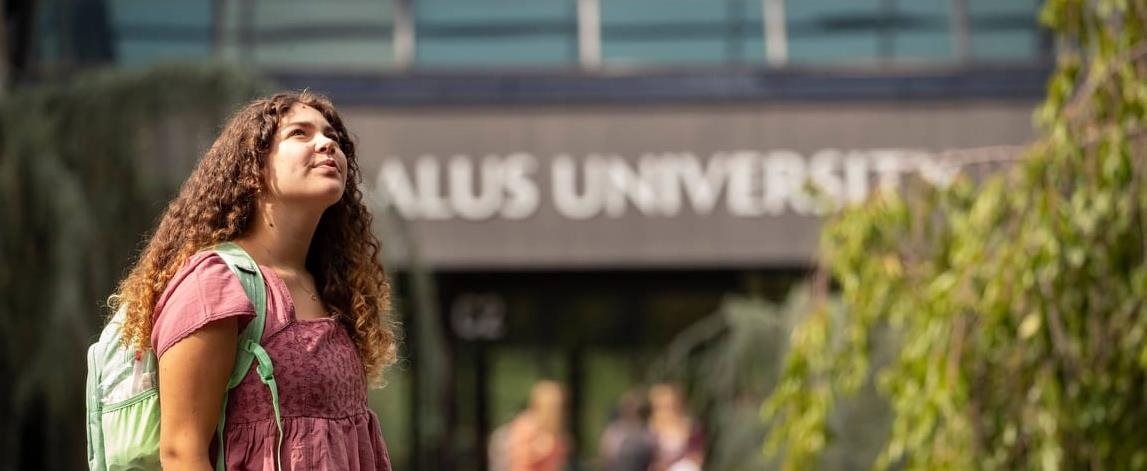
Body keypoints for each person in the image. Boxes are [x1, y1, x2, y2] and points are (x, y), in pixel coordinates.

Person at [110, 91, 398, 470]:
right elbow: (182, 451)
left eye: (334, 138)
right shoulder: (215, 284)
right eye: (300, 133)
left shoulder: (331, 289)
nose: (328, 143)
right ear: (254, 168)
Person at [505, 380, 570, 471]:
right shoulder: (526, 425)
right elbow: (520, 461)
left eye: (557, 405)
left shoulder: (555, 428)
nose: (555, 410)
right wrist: (542, 447)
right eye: (551, 405)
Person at [647, 383, 705, 471]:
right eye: (662, 406)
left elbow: (696, 455)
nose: (667, 410)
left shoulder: (691, 427)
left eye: (670, 405)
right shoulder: (649, 429)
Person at [598, 390, 655, 471]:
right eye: (629, 406)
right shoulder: (614, 431)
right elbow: (606, 458)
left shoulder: (647, 430)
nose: (632, 410)